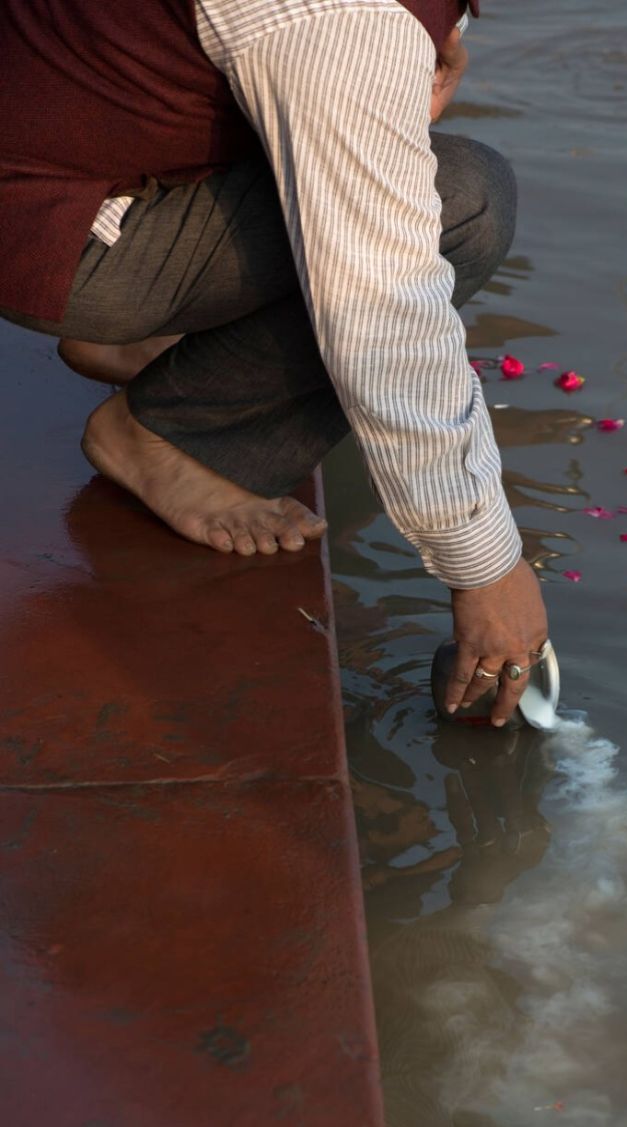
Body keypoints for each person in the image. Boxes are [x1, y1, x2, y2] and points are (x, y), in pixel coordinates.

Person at [0, 0, 548, 726]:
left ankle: (138, 335)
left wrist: (435, 27)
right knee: (464, 201)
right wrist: (486, 569)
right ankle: (171, 435)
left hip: (52, 152)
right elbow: (382, 308)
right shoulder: (345, 15)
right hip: (49, 228)